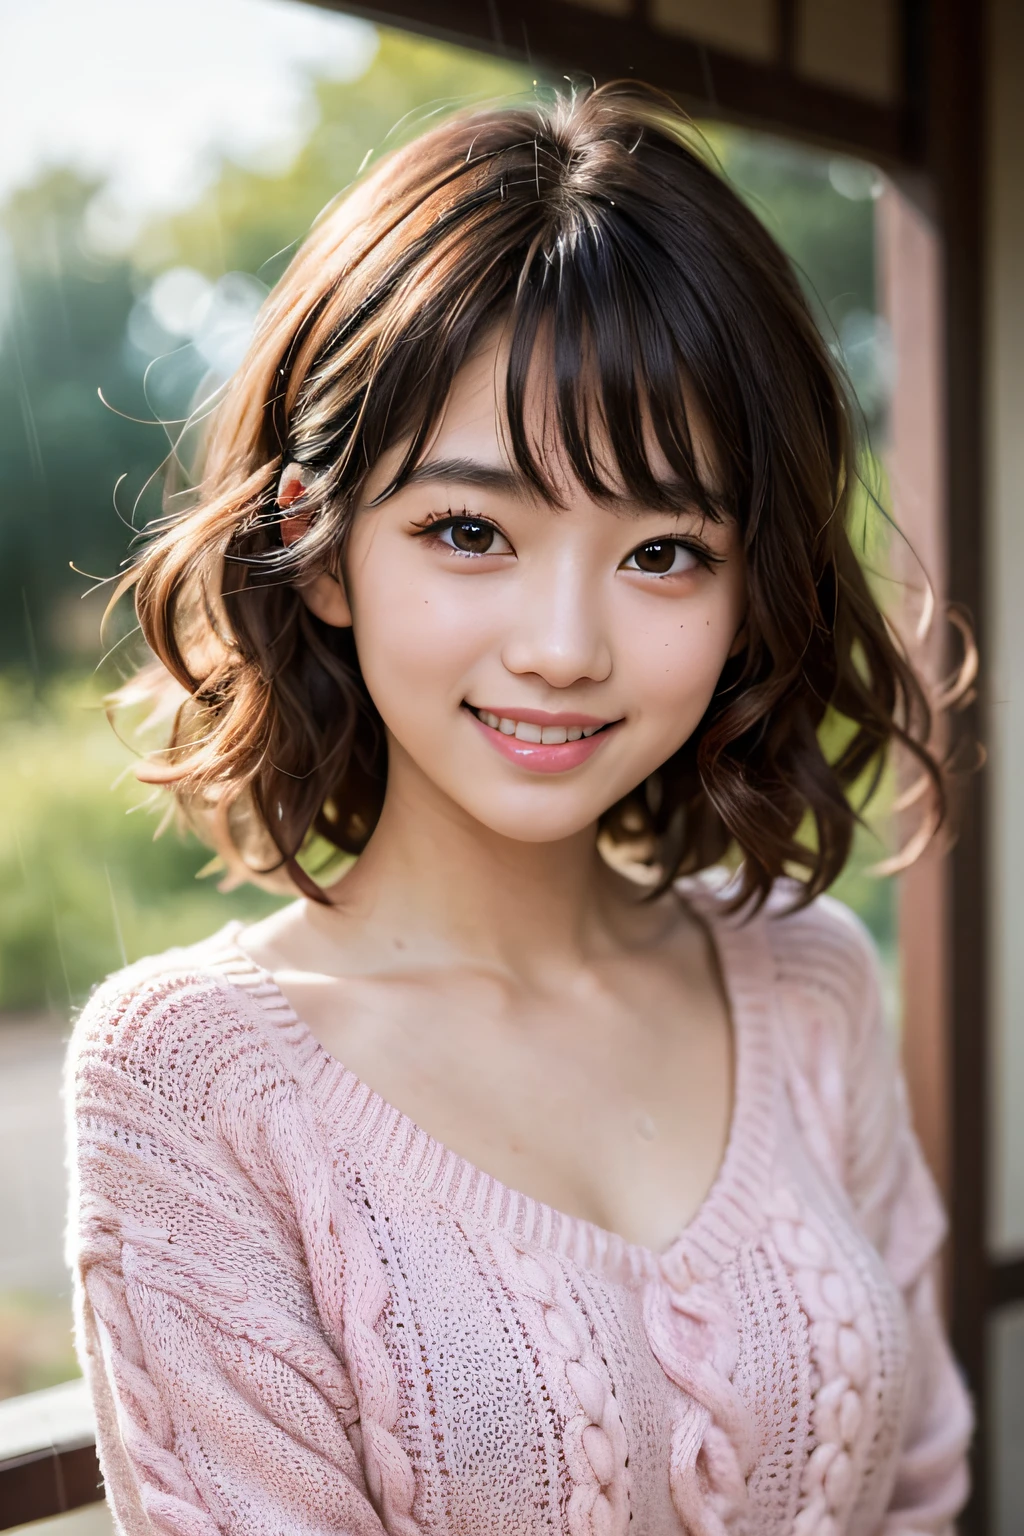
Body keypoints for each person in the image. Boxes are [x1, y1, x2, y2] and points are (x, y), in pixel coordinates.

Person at [64, 81, 973, 1536]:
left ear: (753, 592)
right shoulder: (198, 1080)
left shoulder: (807, 984)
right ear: (319, 549)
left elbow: (921, 1487)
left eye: (666, 550)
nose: (564, 644)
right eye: (470, 530)